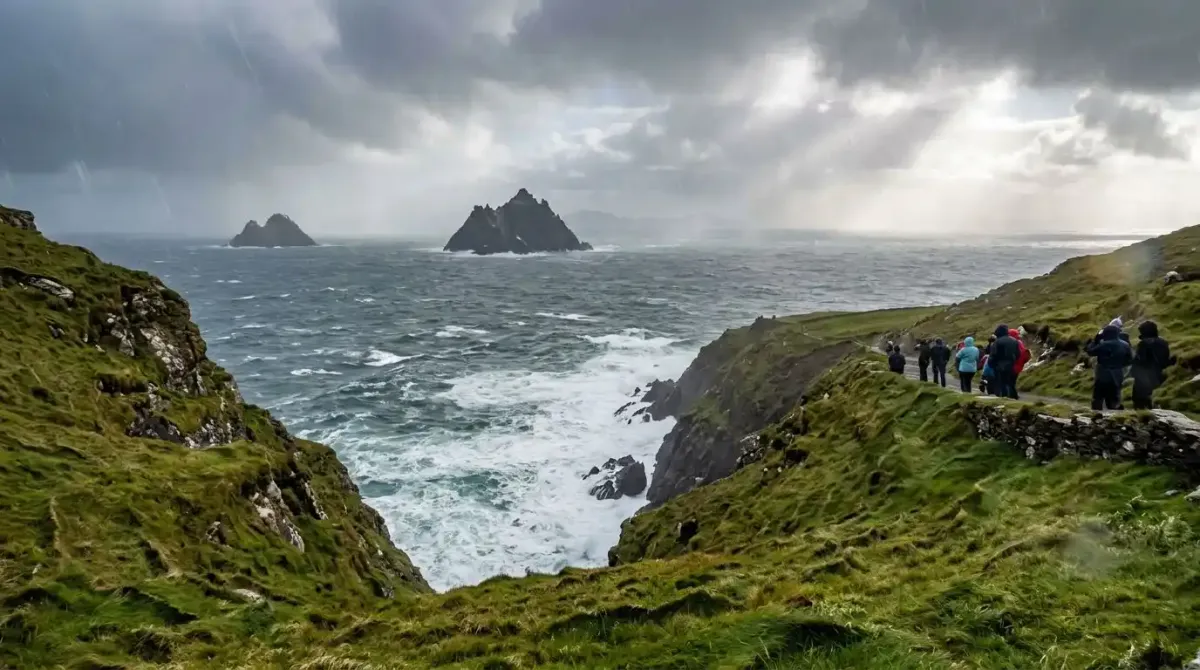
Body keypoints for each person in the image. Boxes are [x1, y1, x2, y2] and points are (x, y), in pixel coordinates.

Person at [1087, 324, 1133, 410]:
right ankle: (1115, 415)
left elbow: (1090, 352)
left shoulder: (1104, 344)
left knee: (1098, 398)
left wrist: (1095, 341)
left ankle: (1096, 418)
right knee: (1114, 397)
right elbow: (1130, 360)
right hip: (1118, 373)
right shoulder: (1125, 345)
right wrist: (1119, 365)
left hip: (1103, 374)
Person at [1130, 320, 1173, 410]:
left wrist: (1133, 371)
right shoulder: (1163, 342)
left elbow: (1140, 360)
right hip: (1159, 375)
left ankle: (1144, 418)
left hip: (1144, 377)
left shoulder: (1144, 344)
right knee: (1153, 398)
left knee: (1140, 401)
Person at [989, 324, 1020, 399]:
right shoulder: (1014, 341)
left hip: (999, 365)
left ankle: (1004, 397)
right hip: (1011, 364)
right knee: (1010, 383)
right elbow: (1018, 353)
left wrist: (992, 364)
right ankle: (1012, 398)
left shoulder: (997, 342)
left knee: (1001, 383)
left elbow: (993, 355)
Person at [1010, 328, 1032, 399]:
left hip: (1014, 365)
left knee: (1010, 382)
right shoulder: (1020, 342)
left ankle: (1014, 397)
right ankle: (1013, 396)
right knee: (1012, 382)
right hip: (1019, 366)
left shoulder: (1014, 343)